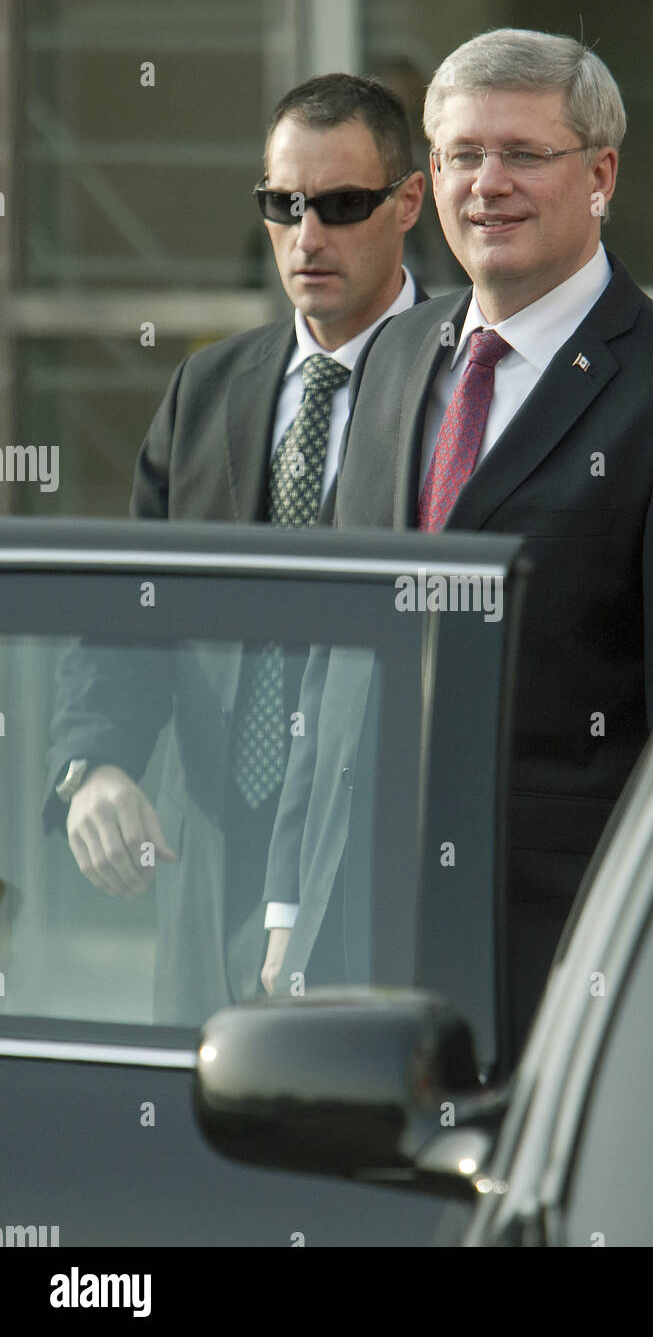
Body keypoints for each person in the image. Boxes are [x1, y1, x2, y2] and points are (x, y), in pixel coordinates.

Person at [263, 29, 653, 1055]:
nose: (486, 184)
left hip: (556, 975)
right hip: (351, 955)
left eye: (522, 154)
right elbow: (336, 666)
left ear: (599, 175)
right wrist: (290, 904)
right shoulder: (394, 357)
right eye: (461, 156)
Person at [43, 74, 426, 1025]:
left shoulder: (459, 383)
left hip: (376, 858)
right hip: (207, 853)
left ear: (408, 202)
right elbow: (134, 606)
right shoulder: (208, 387)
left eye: (342, 206)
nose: (309, 238)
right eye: (283, 206)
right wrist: (95, 765)